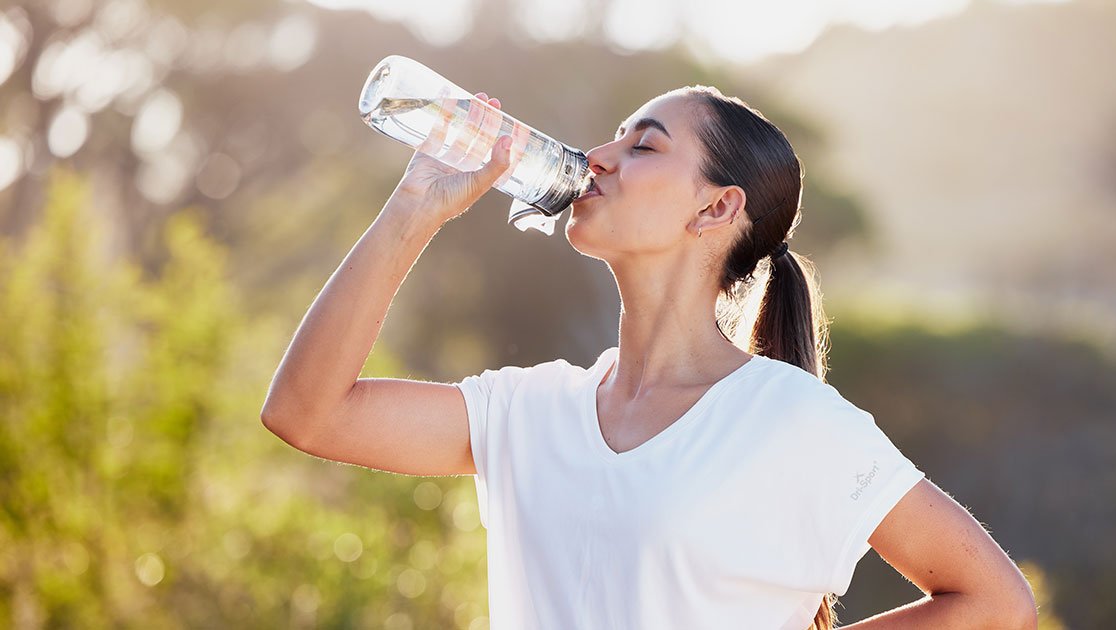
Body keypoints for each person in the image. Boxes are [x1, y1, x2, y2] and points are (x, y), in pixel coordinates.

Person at [261, 86, 1038, 629]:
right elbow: (306, 413)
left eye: (644, 146)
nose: (597, 158)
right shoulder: (529, 411)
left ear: (717, 206)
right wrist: (417, 203)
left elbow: (994, 604)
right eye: (614, 139)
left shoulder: (791, 421)